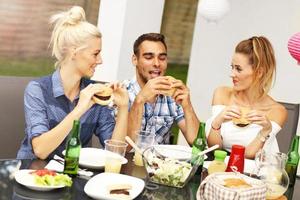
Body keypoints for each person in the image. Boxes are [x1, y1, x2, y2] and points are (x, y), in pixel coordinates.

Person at [17, 6, 129, 160]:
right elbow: (40, 150)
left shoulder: (96, 93)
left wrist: (123, 107)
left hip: (73, 175)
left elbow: (114, 155)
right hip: (34, 174)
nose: (100, 60)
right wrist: (80, 108)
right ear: (74, 52)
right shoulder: (38, 90)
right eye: (95, 54)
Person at [206, 36, 287, 159]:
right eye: (232, 67)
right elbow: (214, 148)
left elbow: (249, 156)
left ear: (259, 72)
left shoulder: (276, 111)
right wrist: (217, 122)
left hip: (254, 173)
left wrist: (265, 131)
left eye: (238, 69)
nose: (232, 74)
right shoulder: (222, 94)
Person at [124, 33, 199, 144]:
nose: (157, 63)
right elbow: (124, 147)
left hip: (161, 161)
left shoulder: (172, 95)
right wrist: (139, 100)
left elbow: (196, 142)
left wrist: (187, 106)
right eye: (149, 57)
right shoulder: (122, 93)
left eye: (162, 58)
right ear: (135, 59)